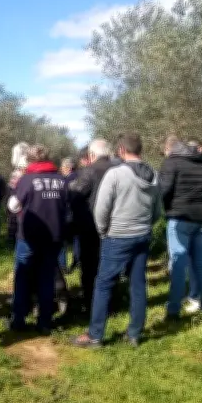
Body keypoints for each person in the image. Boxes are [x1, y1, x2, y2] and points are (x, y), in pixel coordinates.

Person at [71, 133, 160, 348]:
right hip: (142, 234)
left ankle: (95, 335)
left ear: (120, 150)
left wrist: (103, 231)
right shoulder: (154, 175)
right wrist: (146, 225)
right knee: (138, 284)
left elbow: (102, 208)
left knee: (103, 284)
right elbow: (157, 210)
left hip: (118, 235)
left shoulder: (116, 174)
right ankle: (134, 334)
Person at [7, 145, 69, 335]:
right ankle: (44, 321)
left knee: (23, 275)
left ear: (31, 160)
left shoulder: (27, 180)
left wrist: (21, 213)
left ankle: (18, 319)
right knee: (46, 277)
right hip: (54, 236)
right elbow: (67, 206)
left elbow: (13, 204)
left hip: (29, 236)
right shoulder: (61, 180)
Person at [161, 136, 202, 318]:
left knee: (178, 263)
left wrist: (165, 208)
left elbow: (164, 191)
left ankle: (173, 309)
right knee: (201, 264)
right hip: (201, 219)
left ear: (170, 149)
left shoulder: (172, 163)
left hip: (179, 219)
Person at [68, 139, 115, 313]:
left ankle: (90, 304)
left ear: (92, 155)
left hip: (90, 226)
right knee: (109, 265)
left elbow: (76, 195)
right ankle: (110, 303)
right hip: (114, 225)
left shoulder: (89, 171)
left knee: (89, 267)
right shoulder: (118, 168)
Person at [58, 157, 80, 273]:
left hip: (67, 214)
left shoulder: (64, 181)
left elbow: (63, 198)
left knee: (63, 242)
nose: (61, 169)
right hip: (79, 214)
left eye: (62, 167)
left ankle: (63, 266)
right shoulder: (81, 177)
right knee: (78, 239)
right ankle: (77, 261)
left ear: (68, 167)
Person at [6, 142, 30, 248]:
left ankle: (13, 239)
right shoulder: (27, 168)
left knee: (14, 217)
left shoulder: (18, 171)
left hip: (17, 197)